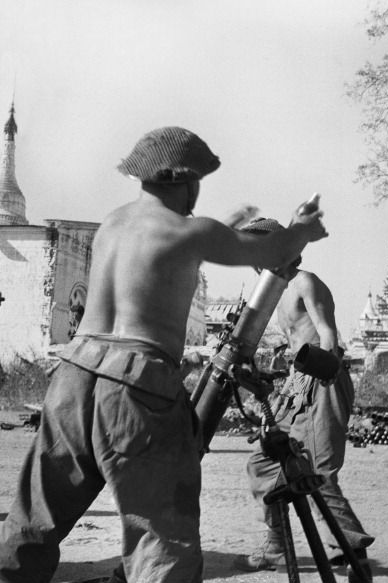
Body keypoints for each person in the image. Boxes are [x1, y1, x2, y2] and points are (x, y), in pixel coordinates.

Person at [0, 127, 327, 583]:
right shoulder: (189, 232)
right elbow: (275, 248)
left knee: (37, 514)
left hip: (73, 375)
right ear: (190, 181)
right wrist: (302, 228)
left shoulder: (113, 225)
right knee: (161, 537)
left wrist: (220, 231)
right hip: (136, 386)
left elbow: (161, 261)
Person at [236, 218, 374, 582]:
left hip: (322, 376)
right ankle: (277, 543)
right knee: (264, 462)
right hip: (296, 385)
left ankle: (350, 550)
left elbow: (327, 334)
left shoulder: (304, 282)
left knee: (318, 470)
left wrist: (322, 368)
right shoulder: (272, 291)